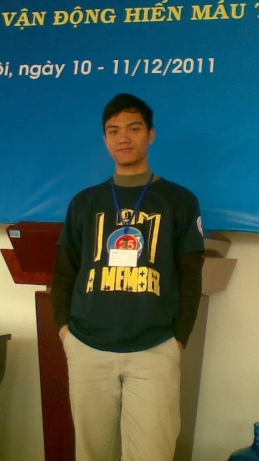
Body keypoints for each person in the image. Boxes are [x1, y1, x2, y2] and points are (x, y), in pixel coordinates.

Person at [51, 93, 205, 461]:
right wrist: (64, 332)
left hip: (154, 349)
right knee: (92, 454)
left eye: (134, 128)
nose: (124, 137)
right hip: (88, 348)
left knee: (153, 453)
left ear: (150, 135)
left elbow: (190, 277)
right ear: (105, 139)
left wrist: (177, 341)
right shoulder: (85, 203)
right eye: (113, 130)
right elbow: (64, 271)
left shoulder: (179, 200)